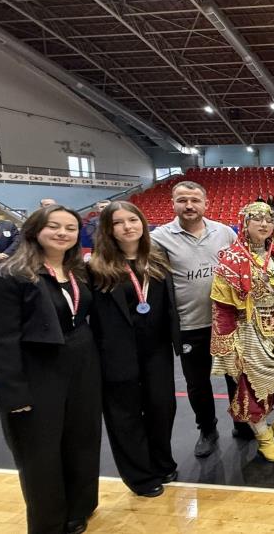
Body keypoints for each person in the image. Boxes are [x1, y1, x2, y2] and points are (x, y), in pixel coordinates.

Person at [0, 205, 101, 534]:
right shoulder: (8, 275)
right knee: (40, 454)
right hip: (39, 372)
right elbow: (1, 341)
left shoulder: (77, 270)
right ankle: (48, 523)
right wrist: (13, 394)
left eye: (71, 228)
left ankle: (79, 509)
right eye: (54, 227)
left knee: (82, 441)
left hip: (82, 367)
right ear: (36, 230)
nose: (63, 233)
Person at [89, 201, 179, 496]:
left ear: (143, 223)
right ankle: (140, 477)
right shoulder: (96, 266)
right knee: (125, 415)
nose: (128, 226)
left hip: (156, 349)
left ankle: (162, 462)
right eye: (118, 222)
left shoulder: (156, 258)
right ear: (108, 229)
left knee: (161, 407)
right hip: (116, 351)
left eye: (133, 219)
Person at [211, 202, 274, 462]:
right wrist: (230, 346)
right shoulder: (230, 259)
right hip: (250, 330)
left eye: (268, 219)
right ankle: (264, 436)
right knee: (250, 388)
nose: (264, 224)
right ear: (245, 224)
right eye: (257, 220)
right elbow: (222, 307)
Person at [151, 181, 239, 457]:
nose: (189, 206)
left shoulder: (225, 233)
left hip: (227, 322)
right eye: (182, 200)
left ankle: (243, 420)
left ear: (206, 203)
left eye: (194, 200)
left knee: (235, 376)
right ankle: (208, 429)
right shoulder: (159, 238)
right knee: (197, 382)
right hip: (190, 325)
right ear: (173, 203)